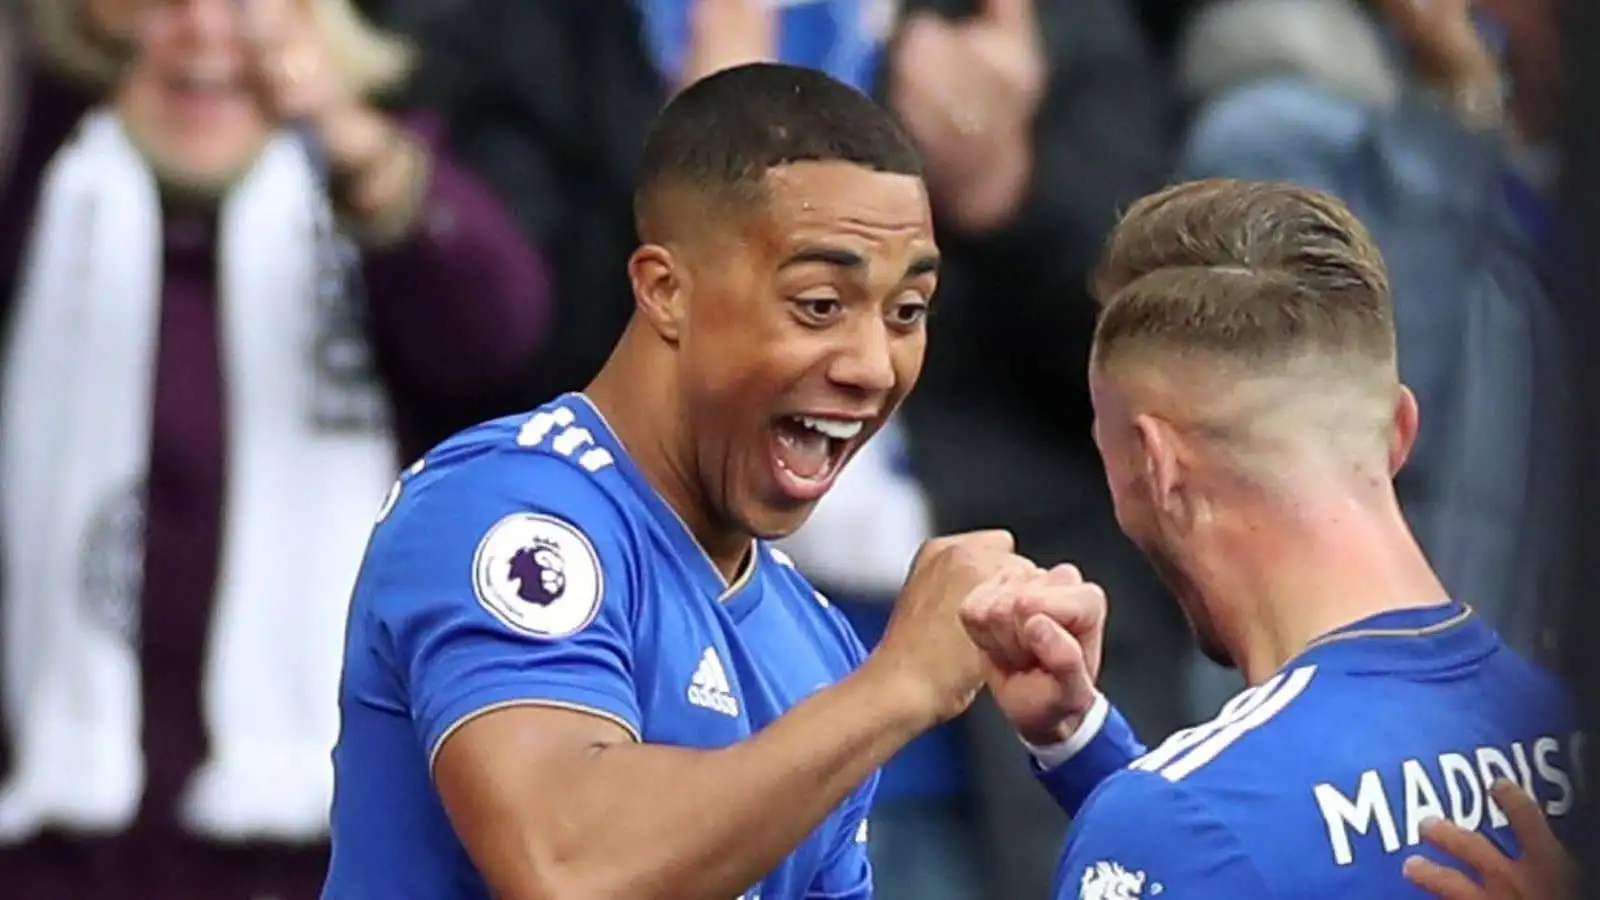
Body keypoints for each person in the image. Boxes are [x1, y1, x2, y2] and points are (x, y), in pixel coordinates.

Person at [322, 62, 1051, 899]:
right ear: (665, 291)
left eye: (906, 312)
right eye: (819, 304)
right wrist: (899, 686)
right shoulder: (506, 511)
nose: (871, 365)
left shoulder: (813, 644)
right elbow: (568, 863)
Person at [958, 178, 1580, 898]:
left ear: (1156, 466)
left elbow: (1231, 837)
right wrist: (1080, 746)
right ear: (1400, 429)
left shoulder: (1179, 824)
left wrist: (1150, 821)